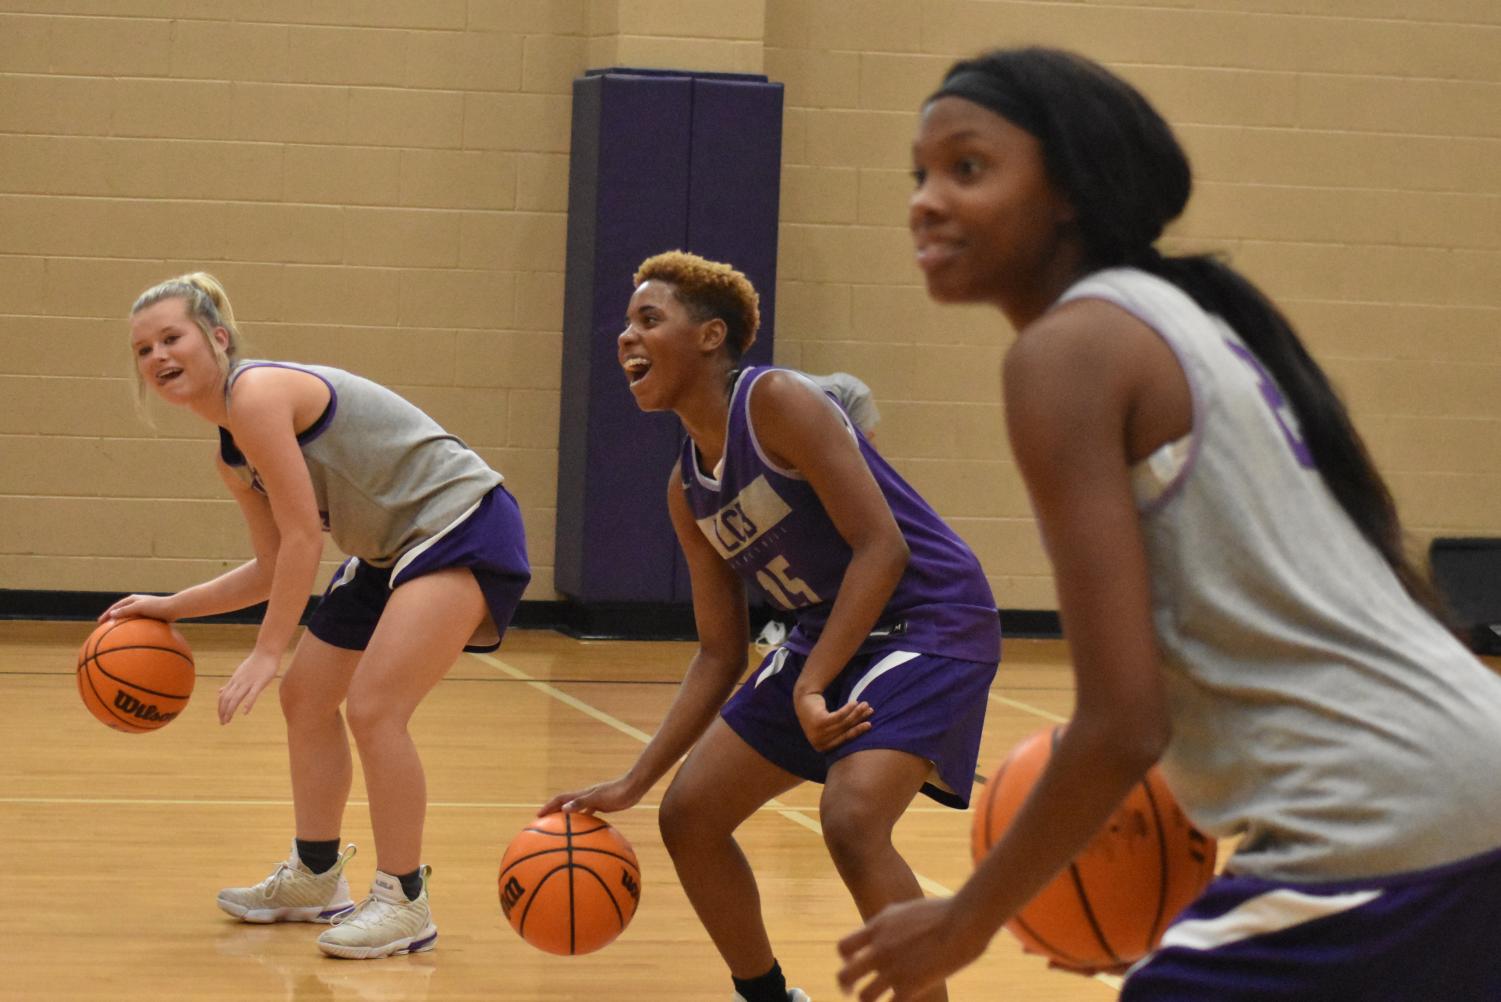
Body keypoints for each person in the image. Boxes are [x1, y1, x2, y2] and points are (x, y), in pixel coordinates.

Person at [835, 47, 1501, 1001]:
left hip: (1388, 813)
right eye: (920, 174)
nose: (926, 200)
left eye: (968, 168)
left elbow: (1121, 724)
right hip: (1458, 779)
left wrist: (964, 917)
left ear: (1068, 190)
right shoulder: (1176, 316)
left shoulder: (1068, 351)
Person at [540, 251, 1001, 1002]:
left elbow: (883, 549)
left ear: (710, 336)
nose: (626, 337)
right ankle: (767, 997)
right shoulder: (685, 489)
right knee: (688, 816)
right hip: (831, 627)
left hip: (931, 616)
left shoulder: (777, 400)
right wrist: (633, 780)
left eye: (648, 320)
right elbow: (720, 652)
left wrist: (813, 681)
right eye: (626, 324)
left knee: (851, 819)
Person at [107, 273, 530, 960]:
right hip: (391, 547)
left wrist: (267, 651)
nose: (157, 356)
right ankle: (315, 875)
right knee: (307, 700)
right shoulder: (230, 453)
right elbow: (273, 565)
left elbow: (306, 538)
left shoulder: (257, 393)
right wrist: (171, 605)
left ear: (217, 337)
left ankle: (403, 901)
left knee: (373, 708)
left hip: (458, 523)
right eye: (142, 349)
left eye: (171, 337)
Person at [755, 371, 881, 653]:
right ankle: (783, 623)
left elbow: (867, 457)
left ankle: (851, 626)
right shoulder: (769, 403)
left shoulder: (851, 393)